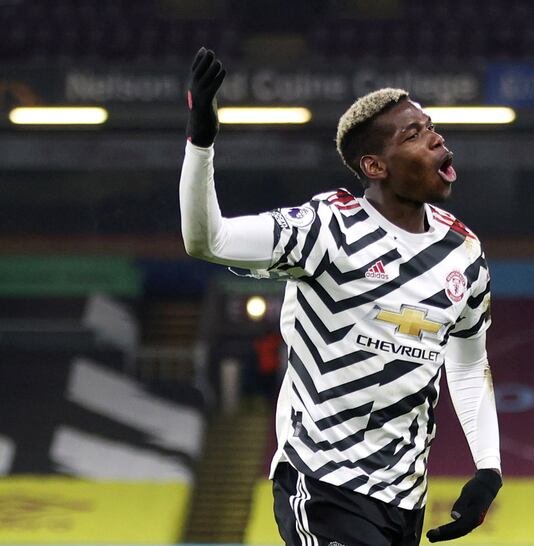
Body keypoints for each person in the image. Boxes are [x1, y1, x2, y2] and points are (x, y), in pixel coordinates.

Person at [180, 47, 502, 546]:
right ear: (375, 165)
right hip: (323, 478)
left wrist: (488, 470)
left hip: (403, 498)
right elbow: (208, 240)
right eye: (413, 134)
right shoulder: (326, 228)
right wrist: (201, 140)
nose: (435, 137)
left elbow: (465, 364)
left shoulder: (462, 251)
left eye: (431, 127)